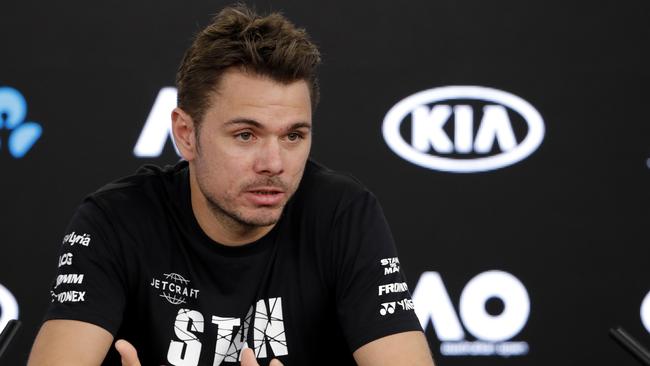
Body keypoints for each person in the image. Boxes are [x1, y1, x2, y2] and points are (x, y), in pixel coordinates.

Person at [27, 4, 435, 366]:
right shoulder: (115, 221)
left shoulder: (343, 215)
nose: (274, 164)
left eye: (293, 136)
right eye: (245, 135)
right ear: (186, 134)